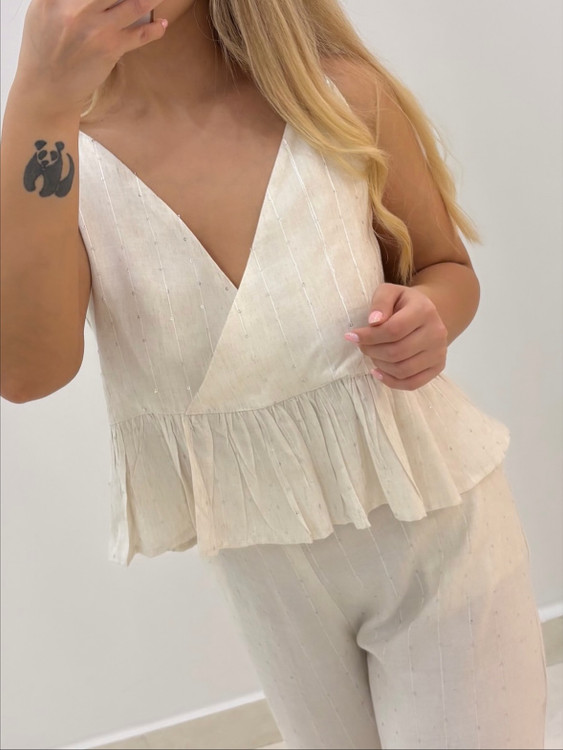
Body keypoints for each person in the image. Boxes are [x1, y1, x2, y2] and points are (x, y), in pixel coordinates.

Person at [0, 1, 547, 747]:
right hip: (265, 575)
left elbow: (444, 268)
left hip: (439, 538)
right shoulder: (59, 159)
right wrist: (37, 94)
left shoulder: (336, 95)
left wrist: (431, 316)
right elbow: (26, 373)